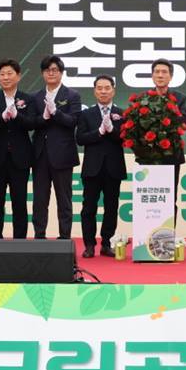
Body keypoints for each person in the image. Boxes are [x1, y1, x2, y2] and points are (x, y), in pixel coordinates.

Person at [0, 59, 35, 240]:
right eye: (2, 74)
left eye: (9, 73)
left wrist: (17, 116)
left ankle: (20, 240)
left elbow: (32, 124)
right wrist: (2, 117)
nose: (5, 77)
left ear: (18, 76)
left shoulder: (28, 99)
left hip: (20, 158)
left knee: (19, 201)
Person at [31, 55, 81, 239]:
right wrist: (43, 117)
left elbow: (73, 121)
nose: (51, 73)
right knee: (39, 199)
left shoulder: (72, 95)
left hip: (63, 155)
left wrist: (56, 113)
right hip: (40, 155)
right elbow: (31, 123)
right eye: (47, 70)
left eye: (54, 70)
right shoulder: (35, 97)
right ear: (42, 73)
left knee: (64, 199)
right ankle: (39, 235)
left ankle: (64, 237)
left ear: (61, 72)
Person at [76, 75, 126, 258]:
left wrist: (112, 130)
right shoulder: (86, 114)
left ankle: (107, 243)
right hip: (92, 168)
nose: (103, 91)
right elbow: (80, 138)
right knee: (88, 208)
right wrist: (98, 132)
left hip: (114, 167)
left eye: (107, 88)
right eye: (99, 88)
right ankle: (89, 245)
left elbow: (125, 139)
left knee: (111, 207)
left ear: (113, 90)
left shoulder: (122, 113)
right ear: (94, 91)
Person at [146, 58, 186, 221]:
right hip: (148, 157)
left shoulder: (180, 98)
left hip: (172, 156)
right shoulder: (143, 98)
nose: (160, 75)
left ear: (170, 76)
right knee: (149, 198)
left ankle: (167, 235)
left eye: (164, 72)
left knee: (169, 198)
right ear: (152, 76)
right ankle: (148, 233)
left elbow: (182, 121)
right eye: (157, 72)